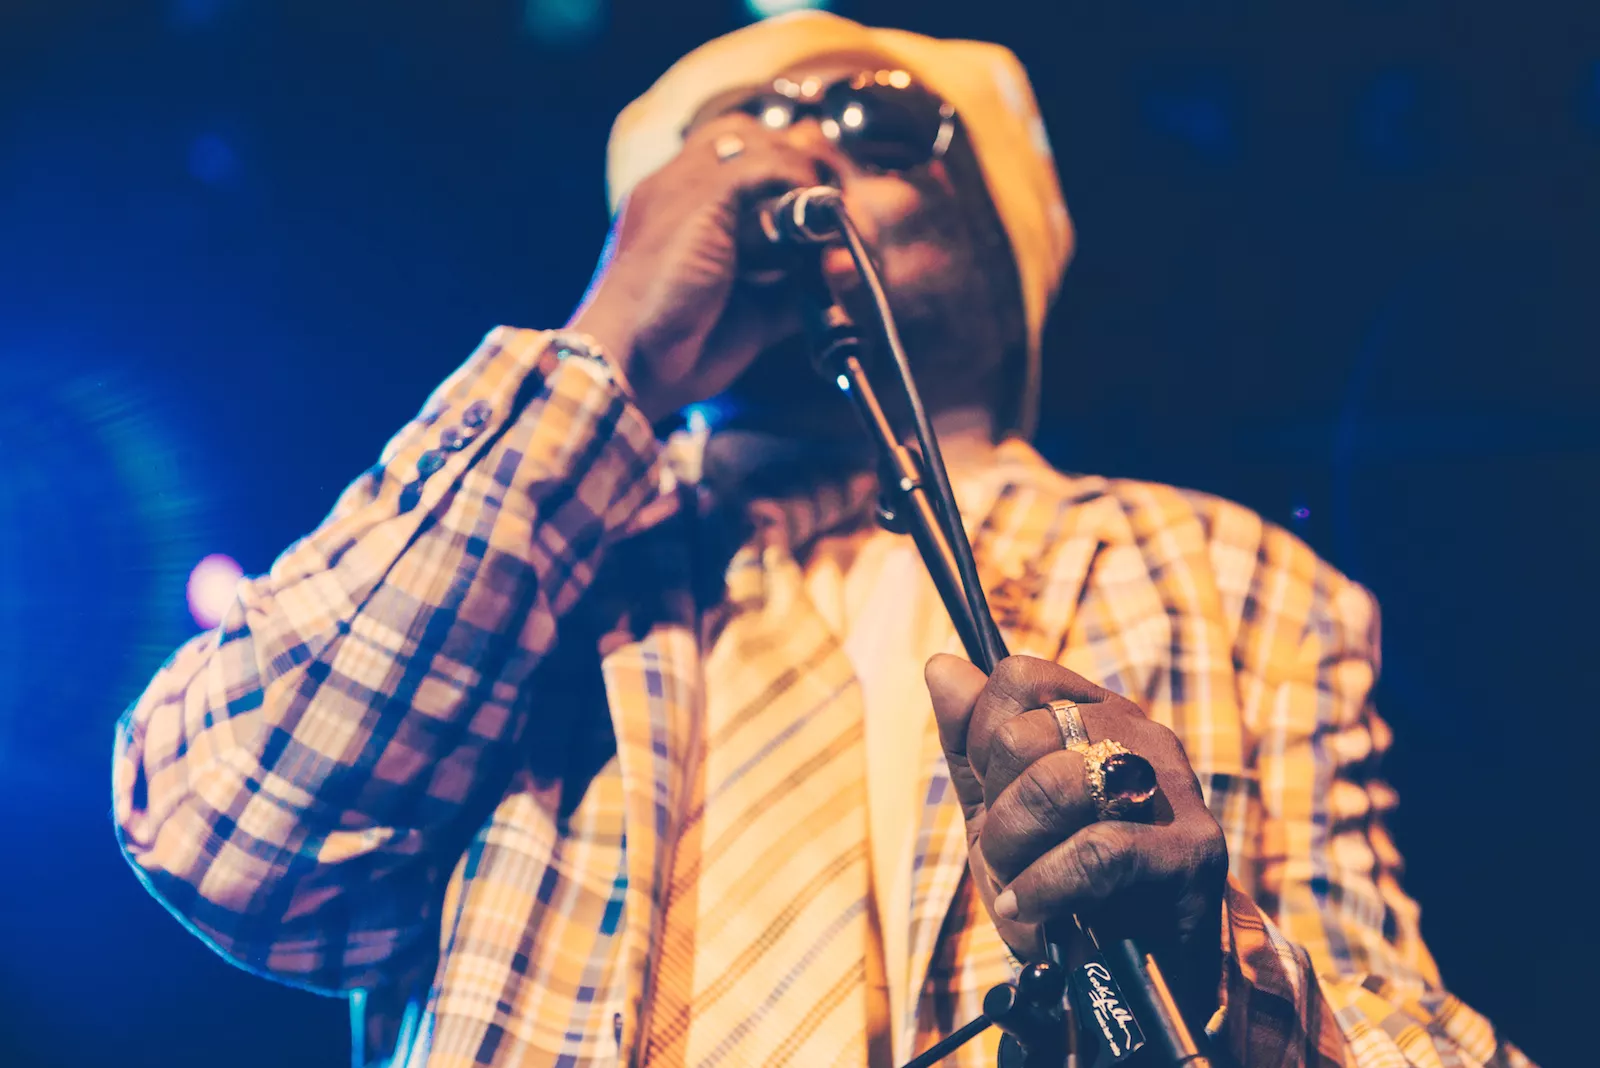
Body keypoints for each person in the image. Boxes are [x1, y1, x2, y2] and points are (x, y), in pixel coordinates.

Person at [111, 11, 1532, 1068]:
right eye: (727, 136)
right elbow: (223, 838)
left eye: (873, 117)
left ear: (1009, 250)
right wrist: (607, 351)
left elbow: (1416, 1036)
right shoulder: (534, 551)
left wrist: (1212, 985)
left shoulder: (1228, 574)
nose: (792, 143)